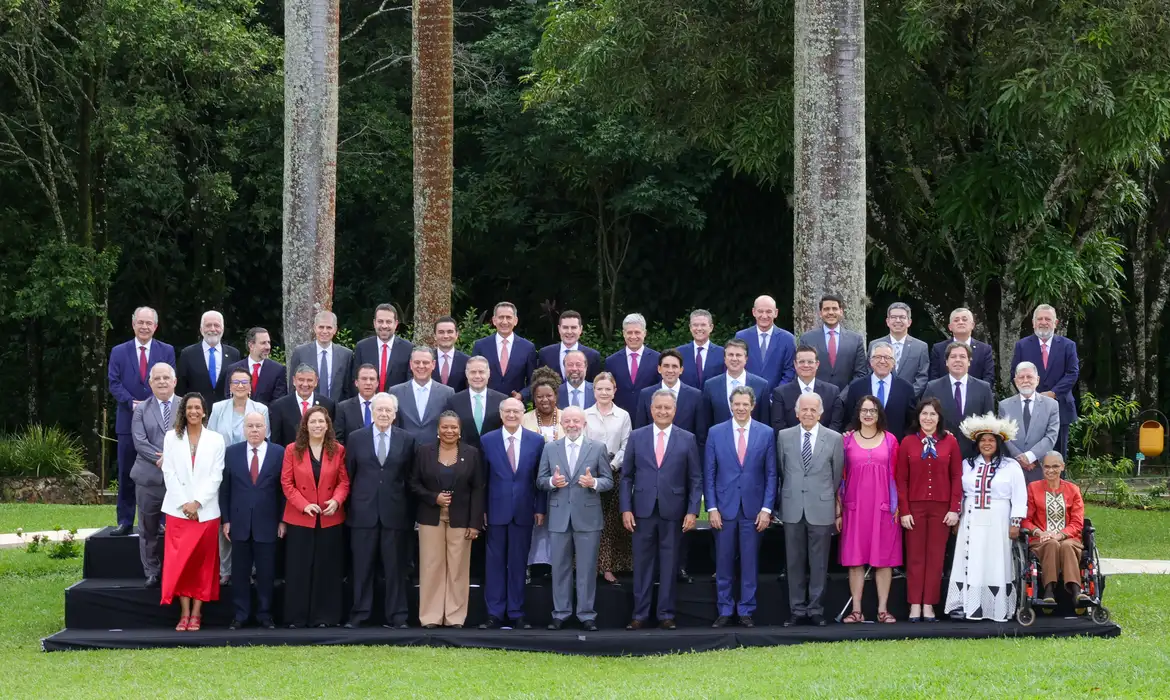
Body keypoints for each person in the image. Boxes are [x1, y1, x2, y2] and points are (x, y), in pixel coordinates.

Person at [620, 390, 702, 630]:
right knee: (642, 564)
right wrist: (626, 508)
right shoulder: (637, 436)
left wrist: (692, 511)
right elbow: (626, 477)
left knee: (669, 563)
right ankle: (640, 614)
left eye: (667, 408)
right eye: (658, 407)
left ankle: (666, 614)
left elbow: (695, 479)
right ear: (651, 409)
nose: (662, 411)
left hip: (674, 511)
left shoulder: (687, 439)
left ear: (674, 411)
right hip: (642, 511)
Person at [704, 386, 776, 627]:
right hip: (724, 509)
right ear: (730, 405)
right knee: (723, 562)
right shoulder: (715, 432)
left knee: (749, 562)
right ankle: (725, 609)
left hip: (753, 510)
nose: (741, 408)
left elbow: (771, 474)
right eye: (737, 404)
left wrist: (767, 509)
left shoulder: (766, 433)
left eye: (745, 404)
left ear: (753, 406)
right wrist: (711, 508)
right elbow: (709, 473)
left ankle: (746, 610)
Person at [944, 413, 1027, 622]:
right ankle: (966, 604)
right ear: (977, 443)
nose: (987, 443)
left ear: (998, 443)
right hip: (971, 519)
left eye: (991, 440)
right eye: (983, 440)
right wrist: (957, 515)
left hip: (999, 520)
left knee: (996, 560)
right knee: (971, 559)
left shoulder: (1011, 466)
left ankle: (996, 607)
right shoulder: (967, 464)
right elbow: (959, 493)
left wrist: (1015, 522)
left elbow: (1019, 496)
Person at [538, 406, 614, 630]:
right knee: (559, 568)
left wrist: (594, 483)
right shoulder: (550, 448)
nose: (572, 425)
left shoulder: (597, 447)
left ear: (584, 424)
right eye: (568, 421)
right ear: (562, 424)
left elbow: (608, 481)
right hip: (559, 516)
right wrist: (552, 482)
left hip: (588, 517)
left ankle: (586, 614)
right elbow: (540, 480)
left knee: (587, 568)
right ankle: (560, 613)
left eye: (576, 421)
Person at [346, 393, 416, 629]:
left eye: (388, 410)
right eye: (380, 410)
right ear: (372, 412)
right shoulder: (356, 438)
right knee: (362, 567)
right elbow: (350, 474)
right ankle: (359, 614)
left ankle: (398, 616)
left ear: (395, 414)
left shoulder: (407, 439)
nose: (384, 414)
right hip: (363, 513)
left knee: (395, 568)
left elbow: (410, 478)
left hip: (395, 513)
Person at [411, 411, 485, 628]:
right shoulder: (424, 452)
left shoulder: (471, 453)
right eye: (445, 427)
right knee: (431, 567)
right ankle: (430, 617)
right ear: (438, 429)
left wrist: (475, 523)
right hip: (430, 517)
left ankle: (455, 617)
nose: (449, 431)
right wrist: (433, 497)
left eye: (454, 427)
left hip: (461, 519)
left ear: (460, 430)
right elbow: (413, 483)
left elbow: (478, 489)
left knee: (458, 569)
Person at [776, 393, 845, 627]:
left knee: (819, 563)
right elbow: (782, 470)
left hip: (821, 506)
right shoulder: (784, 436)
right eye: (804, 409)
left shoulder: (834, 439)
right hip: (793, 506)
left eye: (813, 410)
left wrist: (826, 497)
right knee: (794, 562)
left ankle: (815, 609)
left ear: (820, 413)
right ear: (797, 413)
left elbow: (836, 475)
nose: (808, 413)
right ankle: (796, 609)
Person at [159, 392, 225, 631]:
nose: (194, 411)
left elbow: (216, 475)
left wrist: (197, 503)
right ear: (183, 411)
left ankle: (197, 613)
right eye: (189, 408)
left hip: (206, 512)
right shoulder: (171, 437)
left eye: (198, 407)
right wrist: (184, 504)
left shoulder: (216, 439)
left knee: (202, 564)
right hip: (178, 512)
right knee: (181, 564)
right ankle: (184, 612)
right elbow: (169, 472)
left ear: (204, 411)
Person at [479, 398, 546, 630]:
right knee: (494, 564)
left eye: (516, 411)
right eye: (507, 411)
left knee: (518, 564)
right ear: (500, 414)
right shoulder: (487, 440)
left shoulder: (536, 441)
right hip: (495, 511)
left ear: (522, 413)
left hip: (524, 511)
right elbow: (482, 480)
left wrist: (540, 508)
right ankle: (494, 613)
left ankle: (516, 612)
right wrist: (482, 509)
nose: (511, 415)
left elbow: (539, 478)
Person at [108, 306, 176, 535]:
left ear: (155, 326)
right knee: (127, 472)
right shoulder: (119, 351)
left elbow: (169, 381)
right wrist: (131, 403)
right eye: (141, 322)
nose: (144, 327)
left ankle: (162, 520)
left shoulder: (166, 350)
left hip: (160, 422)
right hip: (127, 420)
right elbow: (114, 382)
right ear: (133, 324)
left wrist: (151, 405)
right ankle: (125, 521)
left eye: (149, 323)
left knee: (162, 472)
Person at [280, 405, 349, 628]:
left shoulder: (338, 450)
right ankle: (297, 617)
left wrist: (336, 501)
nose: (317, 425)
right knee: (298, 568)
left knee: (327, 569)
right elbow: (287, 483)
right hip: (301, 517)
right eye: (313, 421)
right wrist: (304, 505)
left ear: (327, 425)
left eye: (321, 421)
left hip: (330, 517)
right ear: (305, 426)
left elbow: (344, 482)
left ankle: (325, 617)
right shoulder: (292, 450)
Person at [895, 398, 962, 623]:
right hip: (915, 507)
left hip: (941, 508)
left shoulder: (950, 442)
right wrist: (904, 510)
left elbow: (956, 476)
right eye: (924, 414)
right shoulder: (908, 442)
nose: (928, 418)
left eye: (933, 414)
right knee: (915, 557)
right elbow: (901, 479)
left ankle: (929, 604)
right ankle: (915, 603)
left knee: (935, 557)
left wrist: (954, 508)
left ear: (939, 417)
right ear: (918, 417)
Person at [838, 396, 903, 624]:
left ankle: (883, 610)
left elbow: (898, 476)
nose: (868, 415)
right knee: (855, 560)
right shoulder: (846, 441)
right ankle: (856, 610)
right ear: (858, 413)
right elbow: (840, 477)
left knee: (883, 559)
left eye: (873, 411)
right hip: (854, 508)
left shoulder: (891, 440)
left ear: (879, 414)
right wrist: (838, 508)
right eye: (864, 410)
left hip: (884, 508)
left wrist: (897, 505)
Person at [219, 412, 285, 630]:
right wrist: (226, 520)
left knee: (266, 573)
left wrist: (282, 520)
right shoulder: (232, 453)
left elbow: (283, 490)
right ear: (244, 429)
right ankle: (241, 615)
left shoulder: (279, 453)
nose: (254, 430)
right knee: (240, 573)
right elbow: (225, 489)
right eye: (250, 426)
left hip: (268, 523)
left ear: (266, 428)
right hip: (239, 524)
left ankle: (265, 614)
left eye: (258, 426)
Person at [207, 366, 271, 584]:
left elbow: (266, 438)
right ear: (230, 386)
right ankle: (226, 569)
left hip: (252, 471)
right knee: (226, 519)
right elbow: (211, 439)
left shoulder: (260, 409)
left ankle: (250, 569)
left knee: (251, 520)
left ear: (251, 386)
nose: (240, 386)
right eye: (236, 382)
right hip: (224, 470)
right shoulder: (218, 408)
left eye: (244, 382)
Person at [130, 362, 178, 587]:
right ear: (150, 383)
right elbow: (139, 442)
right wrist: (164, 459)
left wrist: (173, 458)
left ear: (174, 381)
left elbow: (193, 437)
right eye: (157, 378)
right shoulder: (141, 409)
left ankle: (175, 569)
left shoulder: (187, 406)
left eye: (166, 378)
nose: (161, 382)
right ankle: (151, 570)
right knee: (147, 528)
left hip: (179, 479)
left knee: (178, 527)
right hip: (148, 478)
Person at [1010, 304, 1080, 457]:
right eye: (1039, 319)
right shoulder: (1022, 346)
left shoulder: (1068, 345)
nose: (1043, 322)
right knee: (1031, 456)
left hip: (1060, 407)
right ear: (1033, 323)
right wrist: (1033, 396)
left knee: (1057, 456)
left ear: (1055, 323)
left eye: (1047, 319)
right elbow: (1015, 374)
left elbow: (1072, 373)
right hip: (1030, 408)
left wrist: (1053, 393)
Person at [1021, 452, 1090, 604]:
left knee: (1066, 545)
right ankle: (1049, 591)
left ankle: (1076, 591)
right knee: (1051, 544)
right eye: (1047, 466)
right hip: (1041, 540)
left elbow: (1077, 522)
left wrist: (1060, 535)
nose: (1050, 470)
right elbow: (1025, 520)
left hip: (1069, 539)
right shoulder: (1033, 488)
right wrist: (1040, 532)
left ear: (1062, 467)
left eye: (1055, 466)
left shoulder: (1073, 489)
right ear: (1041, 467)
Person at [585, 372, 633, 584]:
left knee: (611, 523)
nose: (604, 392)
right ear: (594, 391)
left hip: (615, 473)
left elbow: (626, 445)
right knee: (592, 521)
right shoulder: (585, 415)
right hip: (590, 476)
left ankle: (609, 567)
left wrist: (611, 466)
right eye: (600, 388)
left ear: (615, 391)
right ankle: (590, 566)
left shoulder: (623, 416)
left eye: (608, 389)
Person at [521, 367, 563, 573]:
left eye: (549, 396)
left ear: (556, 396)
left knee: (556, 525)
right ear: (533, 398)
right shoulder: (524, 419)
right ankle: (529, 564)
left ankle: (556, 566)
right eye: (539, 397)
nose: (544, 400)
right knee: (534, 524)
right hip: (530, 480)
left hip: (560, 482)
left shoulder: (567, 417)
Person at [923, 341, 995, 457]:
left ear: (969, 361)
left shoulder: (983, 388)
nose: (958, 360)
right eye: (953, 356)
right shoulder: (933, 387)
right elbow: (925, 420)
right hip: (941, 453)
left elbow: (989, 423)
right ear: (946, 362)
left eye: (962, 356)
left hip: (974, 455)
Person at [999, 362, 1060, 483]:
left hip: (1040, 467)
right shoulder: (1004, 405)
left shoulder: (1051, 405)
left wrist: (1030, 456)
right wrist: (1020, 458)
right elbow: (1004, 436)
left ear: (1037, 380)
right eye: (1021, 377)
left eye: (1029, 377)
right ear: (1016, 381)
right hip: (1014, 467)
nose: (1025, 380)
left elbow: (1051, 436)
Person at [634, 349, 709, 447]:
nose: (670, 370)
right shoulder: (646, 394)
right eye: (666, 366)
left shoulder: (695, 396)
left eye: (674, 366)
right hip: (652, 453)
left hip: (684, 453)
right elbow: (640, 431)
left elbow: (700, 435)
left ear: (681, 370)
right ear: (659, 369)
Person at [842, 342, 916, 441]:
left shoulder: (906, 388)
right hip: (864, 444)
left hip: (896, 444)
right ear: (871, 361)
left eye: (887, 357)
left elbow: (911, 422)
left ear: (894, 363)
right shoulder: (856, 387)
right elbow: (850, 418)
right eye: (878, 357)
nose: (882, 361)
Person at [797, 294, 868, 391]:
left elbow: (860, 374)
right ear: (820, 313)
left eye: (834, 309)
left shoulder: (856, 340)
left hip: (847, 397)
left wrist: (844, 396)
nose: (830, 312)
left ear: (841, 312)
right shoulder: (807, 339)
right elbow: (802, 371)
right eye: (826, 309)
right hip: (815, 396)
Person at [389, 346, 455, 447]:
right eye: (417, 362)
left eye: (425, 362)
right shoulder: (395, 392)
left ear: (433, 364)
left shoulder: (447, 393)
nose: (421, 366)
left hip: (435, 451)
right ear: (411, 364)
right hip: (404, 450)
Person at [771, 345, 844, 432]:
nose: (806, 365)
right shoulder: (780, 393)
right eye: (801, 362)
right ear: (795, 364)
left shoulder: (832, 392)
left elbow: (835, 424)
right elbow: (779, 426)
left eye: (810, 362)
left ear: (817, 364)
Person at [471, 302, 537, 398]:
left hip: (515, 404)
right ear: (494, 320)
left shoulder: (527, 348)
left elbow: (533, 381)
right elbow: (472, 376)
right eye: (501, 317)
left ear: (515, 321)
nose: (504, 322)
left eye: (508, 317)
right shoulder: (480, 346)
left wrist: (521, 395)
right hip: (487, 402)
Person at [176, 310, 241, 407]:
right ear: (201, 329)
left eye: (217, 325)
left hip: (226, 410)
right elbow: (181, 388)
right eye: (208, 325)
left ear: (223, 329)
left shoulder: (234, 354)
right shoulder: (187, 354)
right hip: (196, 411)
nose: (213, 329)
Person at [287, 310, 353, 403]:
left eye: (329, 327)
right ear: (315, 328)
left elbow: (348, 389)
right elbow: (293, 386)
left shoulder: (346, 355)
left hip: (336, 408)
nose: (324, 331)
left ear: (335, 330)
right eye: (321, 327)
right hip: (308, 408)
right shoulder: (300, 352)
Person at [736, 295, 796, 393]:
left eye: (769, 311)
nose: (764, 316)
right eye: (760, 311)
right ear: (754, 312)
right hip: (746, 397)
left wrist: (777, 396)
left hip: (777, 398)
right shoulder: (741, 337)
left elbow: (790, 372)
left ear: (776, 313)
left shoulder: (788, 339)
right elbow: (736, 367)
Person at [869, 302, 930, 399]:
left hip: (909, 401)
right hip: (879, 398)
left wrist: (906, 396)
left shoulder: (921, 347)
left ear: (909, 322)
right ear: (887, 321)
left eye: (902, 317)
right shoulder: (874, 345)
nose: (898, 320)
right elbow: (869, 372)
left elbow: (922, 377)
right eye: (893, 317)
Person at [703, 338, 770, 426]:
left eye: (738, 355)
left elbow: (764, 422)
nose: (734, 359)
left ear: (746, 358)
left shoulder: (761, 385)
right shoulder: (711, 385)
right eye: (730, 355)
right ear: (724, 358)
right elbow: (706, 421)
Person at [446, 356, 506, 451]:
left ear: (488, 373)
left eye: (481, 372)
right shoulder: (454, 401)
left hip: (493, 454)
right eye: (473, 372)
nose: (477, 376)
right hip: (463, 455)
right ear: (466, 374)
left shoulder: (502, 400)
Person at [269, 365, 335, 447]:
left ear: (316, 382)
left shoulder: (327, 404)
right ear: (294, 381)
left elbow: (330, 435)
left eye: (309, 380)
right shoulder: (279, 406)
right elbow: (276, 441)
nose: (305, 384)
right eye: (301, 380)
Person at [353, 303, 414, 392]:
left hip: (397, 400)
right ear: (374, 323)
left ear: (396, 324)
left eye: (388, 322)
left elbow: (409, 382)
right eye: (380, 321)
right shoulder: (362, 347)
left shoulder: (408, 349)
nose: (384, 326)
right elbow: (355, 380)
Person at [929, 307, 995, 384]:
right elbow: (934, 377)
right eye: (956, 320)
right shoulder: (938, 349)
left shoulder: (984, 349)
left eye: (964, 319)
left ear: (972, 325)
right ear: (950, 327)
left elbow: (988, 377)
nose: (960, 322)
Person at [223, 326, 287, 404]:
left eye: (269, 342)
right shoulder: (233, 369)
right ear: (251, 345)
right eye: (263, 343)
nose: (268, 347)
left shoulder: (278, 370)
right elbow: (229, 398)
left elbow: (278, 401)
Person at [538, 310, 602, 381]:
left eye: (573, 327)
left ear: (580, 329)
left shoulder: (592, 356)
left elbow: (595, 385)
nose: (569, 332)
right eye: (565, 327)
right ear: (559, 329)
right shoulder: (545, 354)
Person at [333, 364, 380, 445]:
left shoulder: (385, 407)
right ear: (356, 383)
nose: (368, 383)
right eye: (364, 379)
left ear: (377, 383)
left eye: (372, 379)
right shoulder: (343, 408)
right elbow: (338, 440)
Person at [677, 309, 725, 388]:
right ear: (690, 327)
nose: (699, 328)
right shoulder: (679, 353)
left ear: (711, 327)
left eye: (703, 325)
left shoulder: (722, 353)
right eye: (695, 325)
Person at [432, 315, 470, 393]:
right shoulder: (426, 360)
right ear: (435, 336)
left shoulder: (467, 361)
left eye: (450, 332)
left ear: (456, 335)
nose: (446, 336)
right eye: (441, 332)